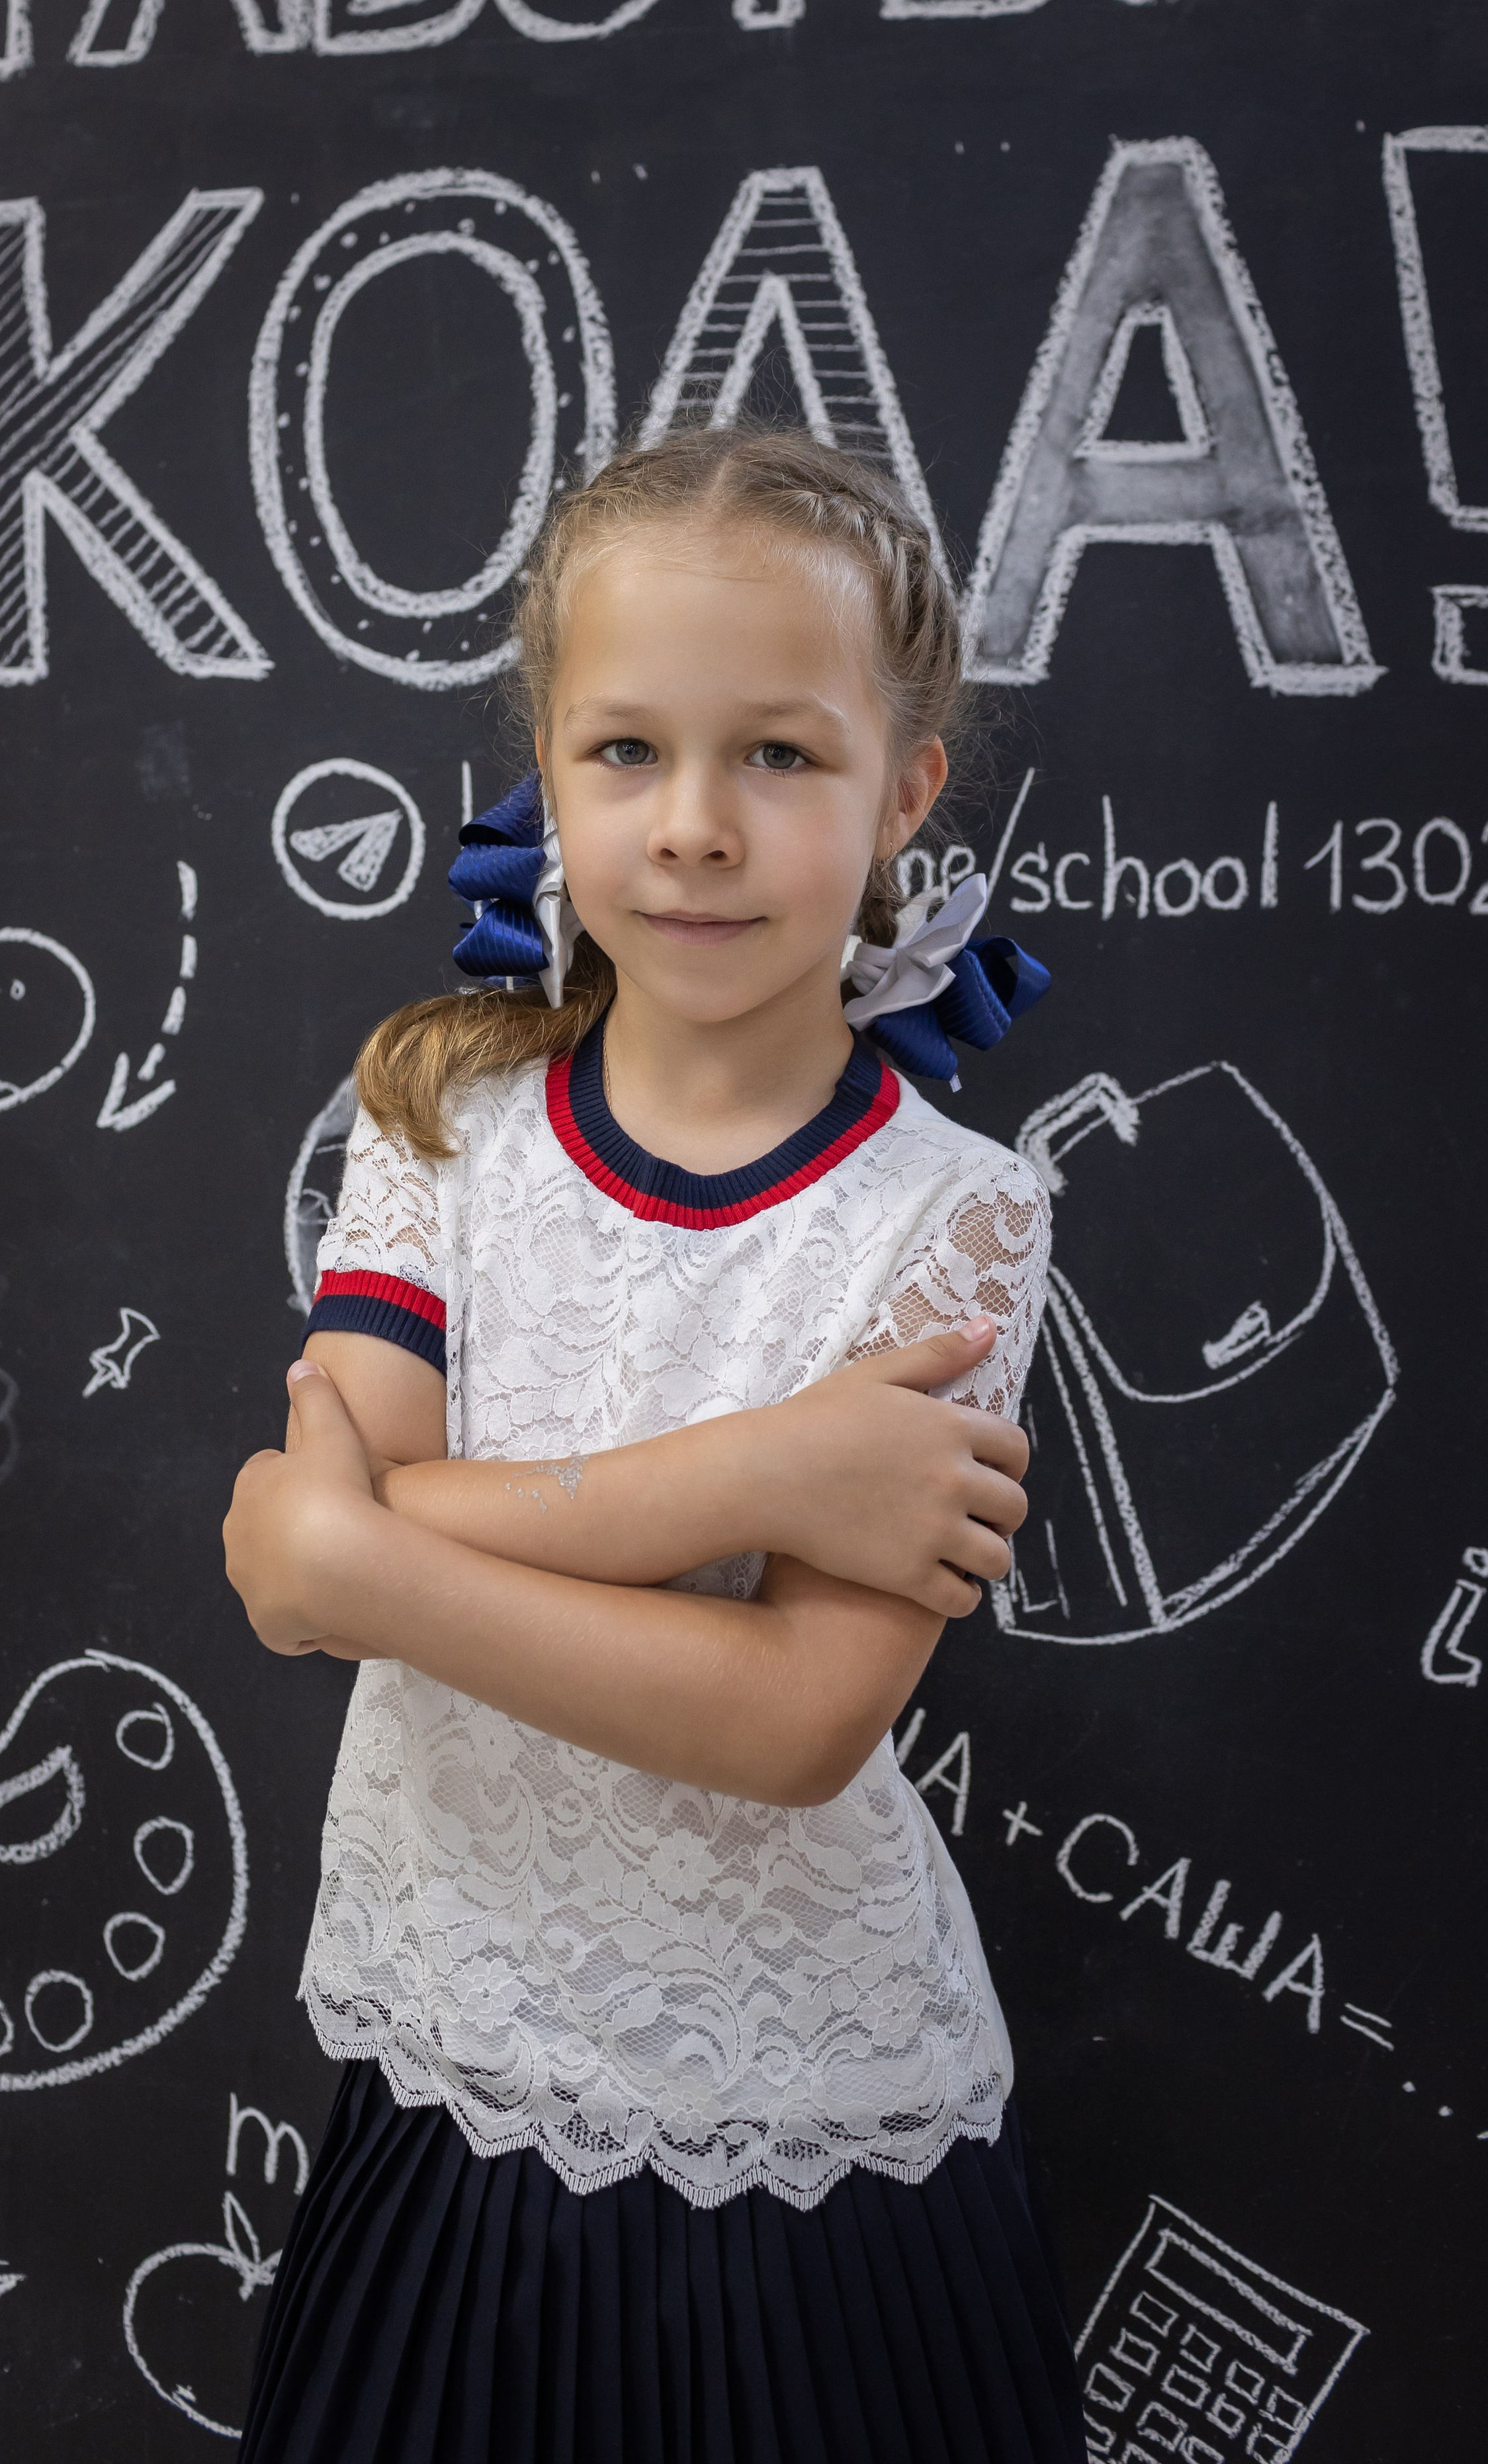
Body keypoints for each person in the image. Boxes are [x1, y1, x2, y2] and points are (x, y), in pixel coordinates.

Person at [222, 427, 1085, 2463]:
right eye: (628, 750)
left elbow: (789, 1719)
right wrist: (766, 1474)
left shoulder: (956, 1218)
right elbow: (301, 1567)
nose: (694, 826)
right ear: (549, 759)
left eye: (779, 754)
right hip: (448, 2091)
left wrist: (378, 1566)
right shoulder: (433, 1123)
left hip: (808, 2142)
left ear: (905, 794)